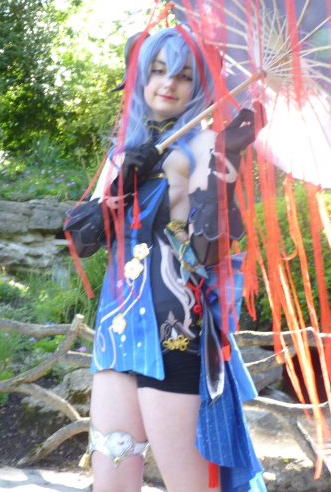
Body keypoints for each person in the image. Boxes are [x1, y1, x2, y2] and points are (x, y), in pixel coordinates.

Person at [64, 26, 266, 492]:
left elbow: (207, 253)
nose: (169, 83)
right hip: (116, 332)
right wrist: (122, 183)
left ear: (200, 87)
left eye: (184, 76)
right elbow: (83, 241)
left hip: (177, 334)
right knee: (111, 482)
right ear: (140, 78)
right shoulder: (123, 151)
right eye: (157, 71)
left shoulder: (206, 147)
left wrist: (224, 170)